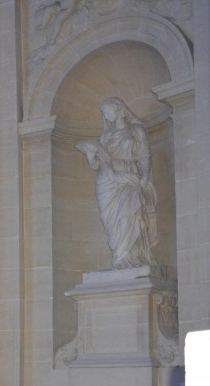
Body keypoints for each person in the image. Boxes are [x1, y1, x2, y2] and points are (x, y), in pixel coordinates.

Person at [75, 97, 158, 270]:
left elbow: (144, 155)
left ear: (119, 109)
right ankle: (120, 258)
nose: (105, 116)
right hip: (107, 179)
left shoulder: (136, 130)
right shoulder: (106, 135)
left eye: (107, 112)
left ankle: (128, 257)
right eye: (104, 113)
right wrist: (91, 158)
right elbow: (99, 163)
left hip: (129, 175)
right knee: (110, 219)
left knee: (127, 214)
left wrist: (144, 178)